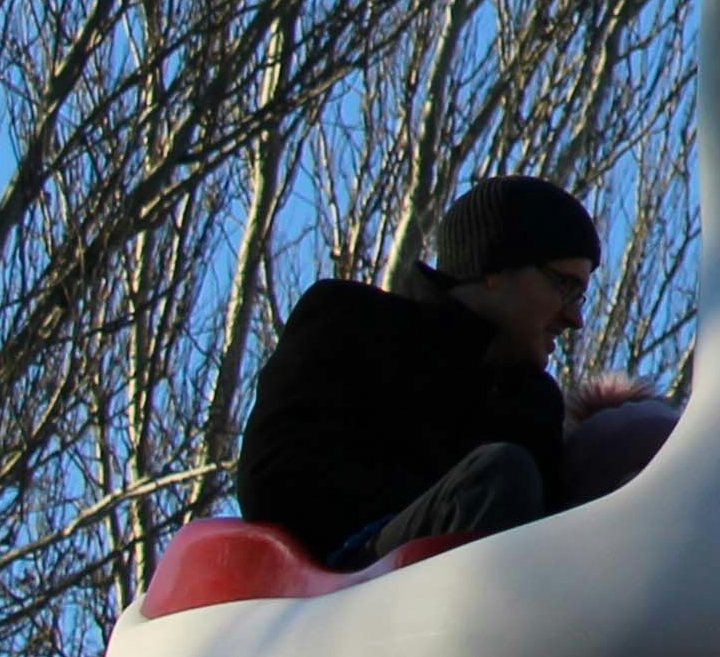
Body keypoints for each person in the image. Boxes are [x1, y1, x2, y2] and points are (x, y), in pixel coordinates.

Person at [231, 175, 648, 570]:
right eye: (564, 285)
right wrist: (443, 497)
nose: (575, 318)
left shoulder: (532, 401)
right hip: (341, 585)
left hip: (508, 595)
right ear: (495, 268)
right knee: (500, 474)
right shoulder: (352, 322)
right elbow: (272, 479)